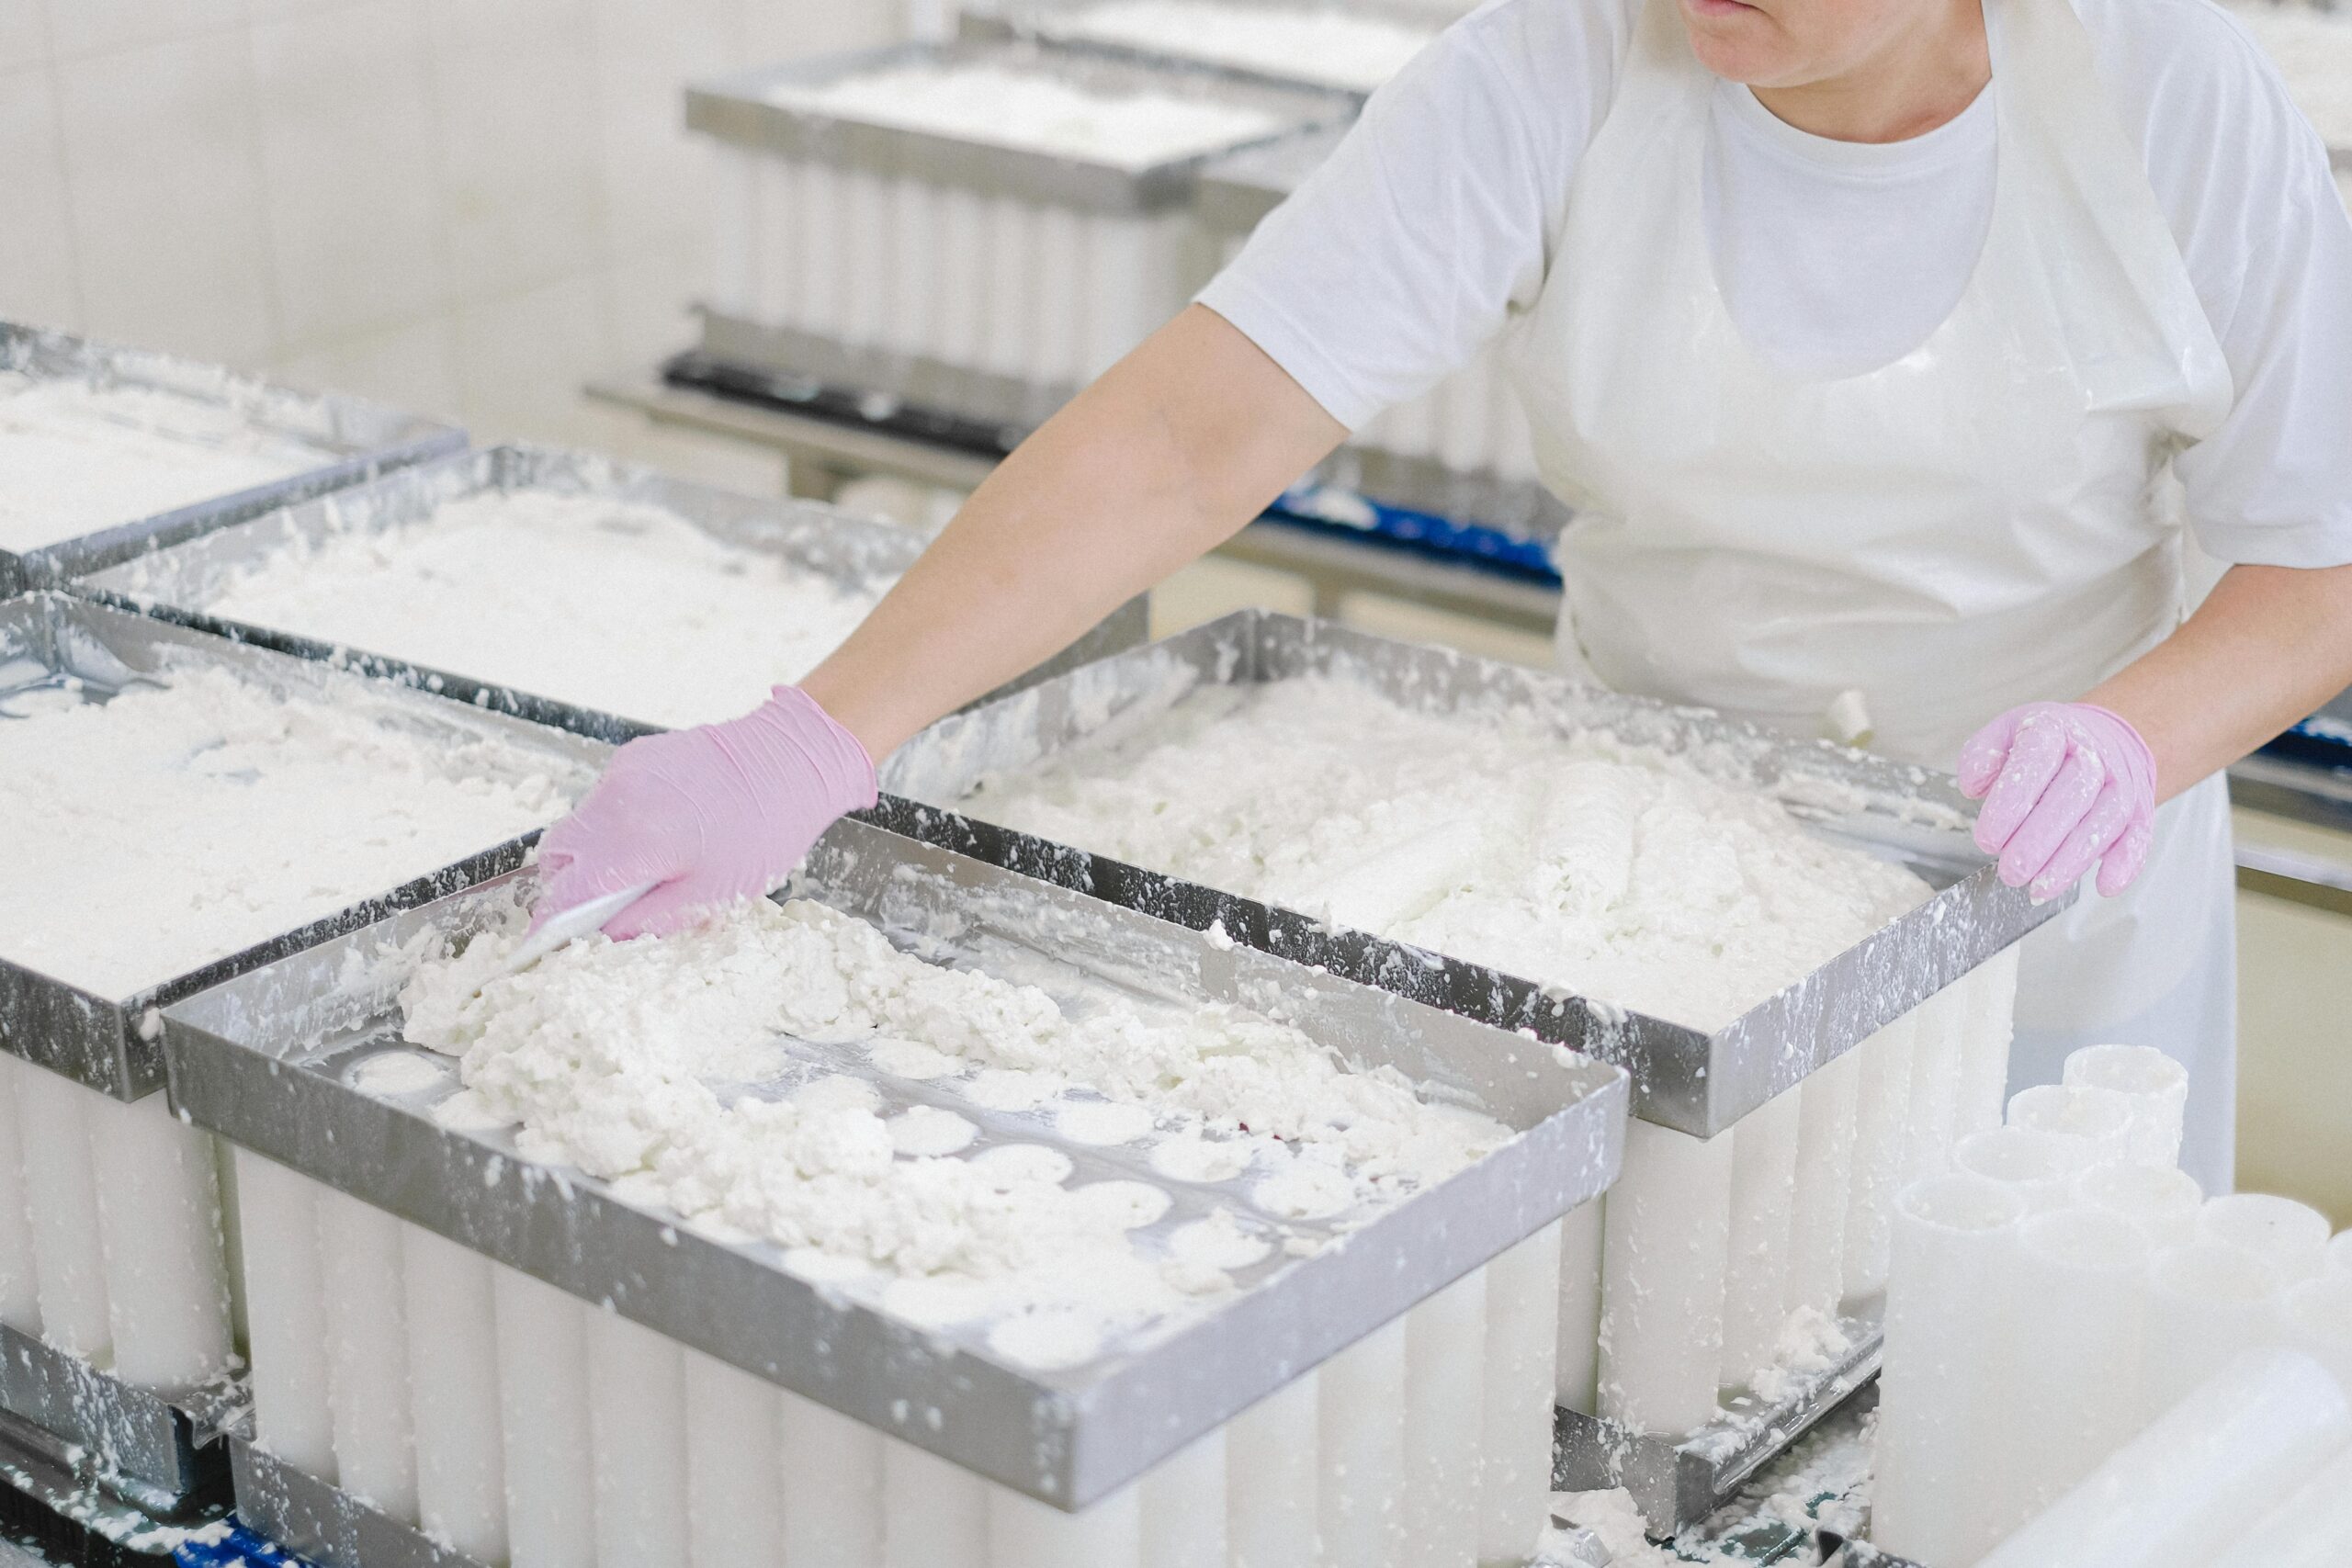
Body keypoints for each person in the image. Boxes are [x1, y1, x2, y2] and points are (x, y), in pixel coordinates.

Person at [537, 0, 2352, 1192]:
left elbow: (2318, 557)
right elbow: (1192, 431)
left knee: (1999, 1401)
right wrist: (817, 730)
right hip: (1645, 879)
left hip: (2035, 882)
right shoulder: (1558, 61)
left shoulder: (2163, 93)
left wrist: (2132, 733)